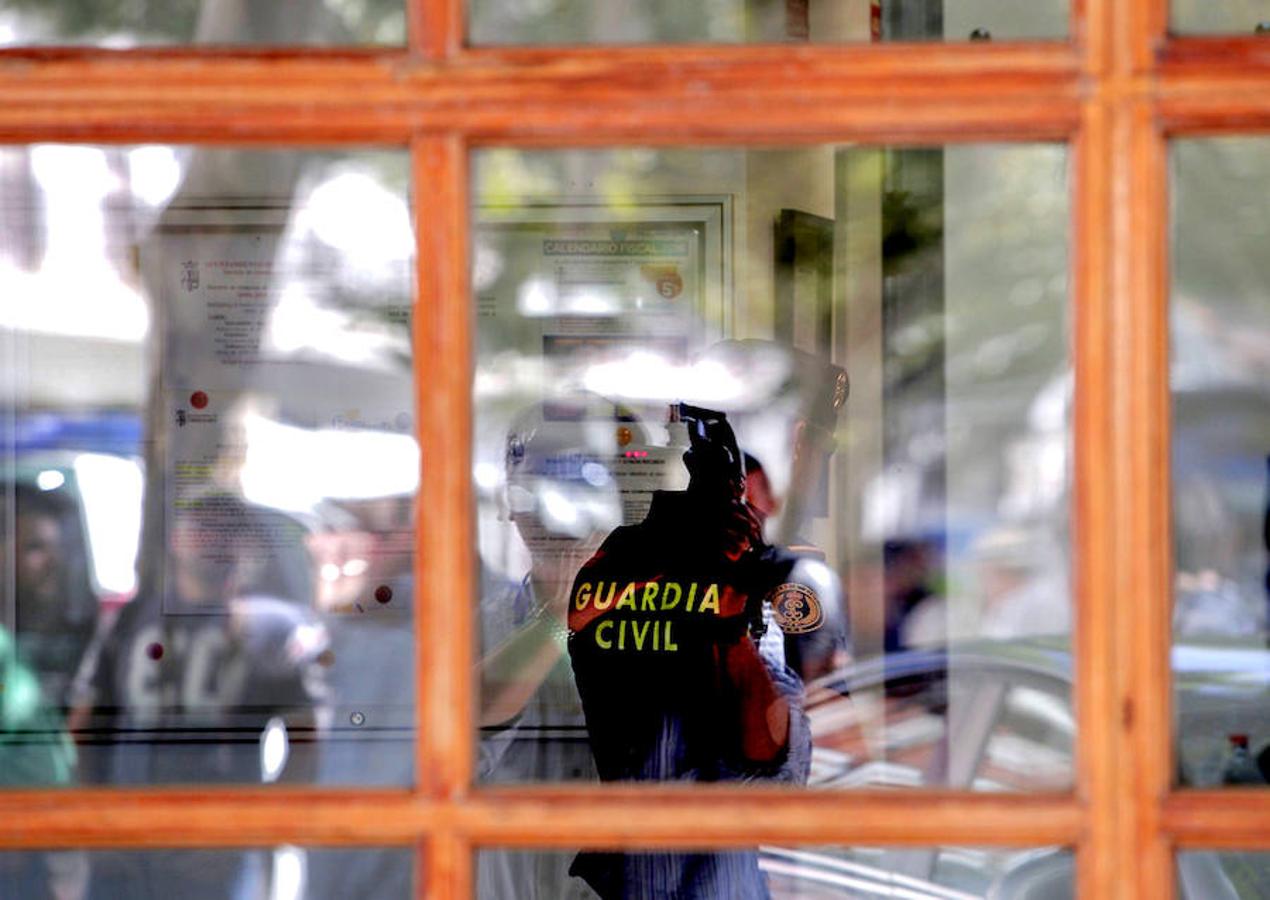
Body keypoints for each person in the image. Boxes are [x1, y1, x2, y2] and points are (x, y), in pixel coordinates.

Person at [566, 404, 810, 899]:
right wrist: (655, 560)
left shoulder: (744, 587)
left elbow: (776, 773)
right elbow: (567, 631)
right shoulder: (609, 569)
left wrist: (725, 617)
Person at [81, 493, 329, 900]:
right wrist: (96, 825)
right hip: (129, 847)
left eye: (225, 530)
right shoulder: (133, 617)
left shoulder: (270, 628)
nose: (212, 540)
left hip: (218, 855)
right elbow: (86, 724)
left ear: (244, 546)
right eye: (203, 528)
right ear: (177, 539)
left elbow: (305, 738)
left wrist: (256, 827)